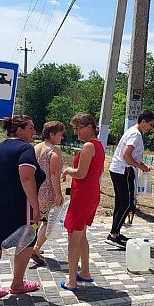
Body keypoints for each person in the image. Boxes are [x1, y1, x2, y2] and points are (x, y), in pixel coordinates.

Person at [0, 115, 45, 302]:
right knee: (27, 238)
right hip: (18, 203)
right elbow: (26, 177)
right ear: (19, 130)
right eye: (30, 127)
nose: (34, 131)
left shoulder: (0, 146)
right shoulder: (25, 148)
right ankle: (17, 284)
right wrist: (35, 205)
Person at [60, 114, 105, 291]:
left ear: (89, 127)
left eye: (78, 128)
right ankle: (85, 271)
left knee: (73, 237)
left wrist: (68, 170)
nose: (75, 131)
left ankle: (72, 280)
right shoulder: (99, 146)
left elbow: (81, 173)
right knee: (82, 234)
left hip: (83, 195)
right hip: (91, 193)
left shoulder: (88, 146)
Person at [106, 110, 154, 249]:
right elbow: (126, 155)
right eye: (150, 124)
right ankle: (113, 234)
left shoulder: (134, 132)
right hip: (123, 170)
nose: (150, 128)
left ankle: (116, 232)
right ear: (143, 121)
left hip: (120, 169)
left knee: (121, 202)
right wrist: (140, 166)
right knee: (127, 203)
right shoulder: (135, 134)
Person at [31, 121, 65, 266]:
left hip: (35, 188)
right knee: (47, 221)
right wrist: (58, 193)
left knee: (35, 219)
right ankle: (36, 247)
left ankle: (31, 245)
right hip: (47, 189)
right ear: (52, 135)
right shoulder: (54, 152)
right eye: (60, 134)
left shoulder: (36, 147)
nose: (62, 137)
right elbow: (54, 173)